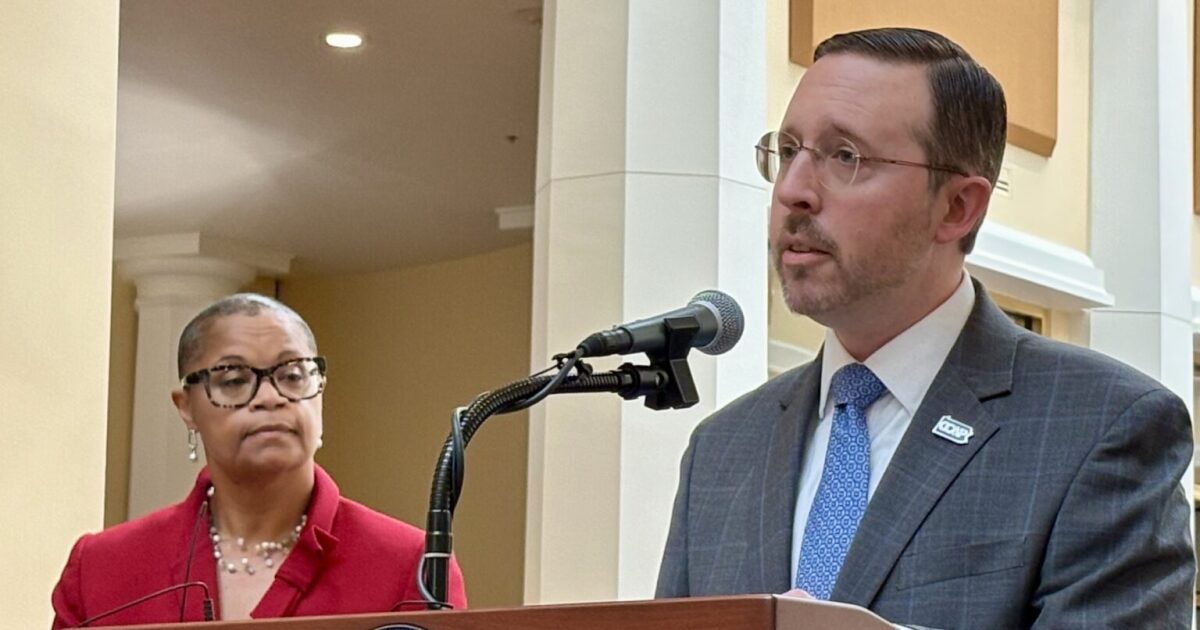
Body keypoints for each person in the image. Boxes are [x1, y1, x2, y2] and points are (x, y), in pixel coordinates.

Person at [656, 27, 1193, 629]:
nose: (793, 190)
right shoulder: (723, 449)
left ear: (958, 207)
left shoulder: (1100, 426)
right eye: (787, 152)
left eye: (844, 157)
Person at [52, 294, 466, 627]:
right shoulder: (101, 568)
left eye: (293, 375)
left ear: (320, 391)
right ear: (187, 408)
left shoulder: (410, 563)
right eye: (234, 380)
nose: (271, 397)